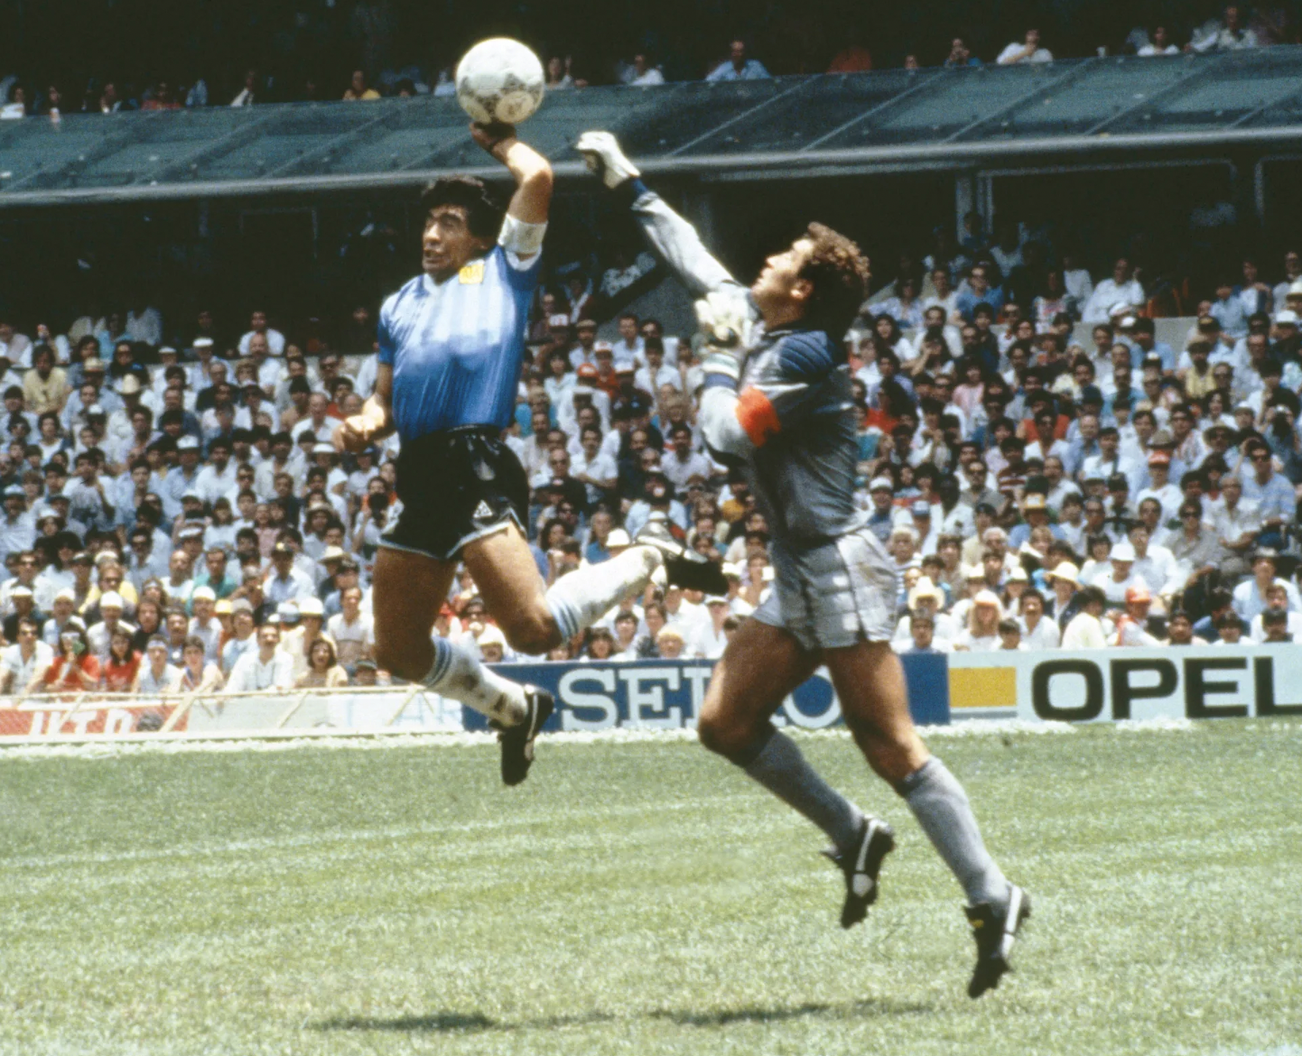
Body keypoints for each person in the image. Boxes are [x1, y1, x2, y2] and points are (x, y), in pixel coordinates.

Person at [576, 129, 1028, 998]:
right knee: (724, 724)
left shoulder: (807, 352)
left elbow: (717, 438)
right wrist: (628, 180)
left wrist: (709, 358)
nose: (766, 259)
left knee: (891, 746)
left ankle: (993, 894)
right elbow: (694, 261)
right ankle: (856, 836)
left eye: (782, 256)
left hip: (841, 568)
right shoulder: (769, 320)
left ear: (804, 287)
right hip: (803, 570)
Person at [336, 121, 718, 786]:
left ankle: (648, 553)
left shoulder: (502, 272)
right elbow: (384, 401)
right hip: (420, 471)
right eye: (429, 222)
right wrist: (364, 424)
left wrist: (498, 142)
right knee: (395, 648)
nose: (432, 234)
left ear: (480, 237)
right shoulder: (399, 304)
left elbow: (537, 176)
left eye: (450, 222)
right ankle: (512, 707)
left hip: (476, 459)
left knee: (535, 631)